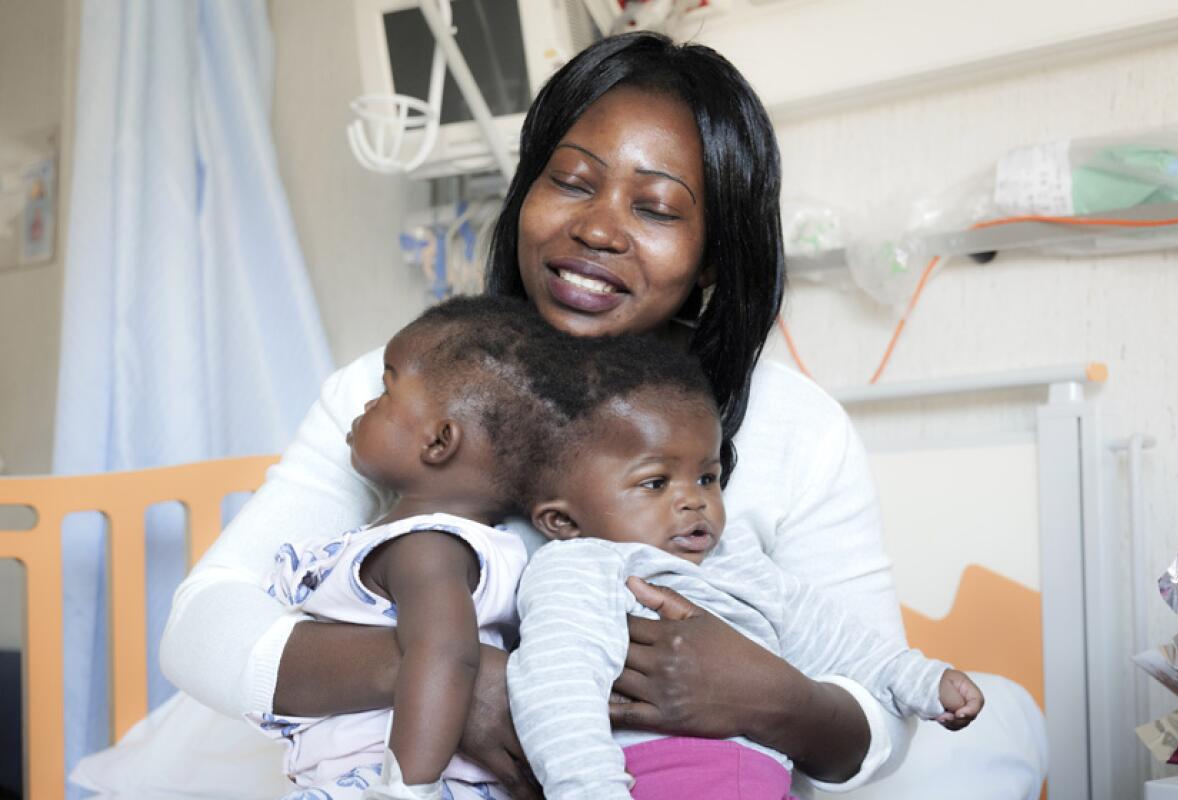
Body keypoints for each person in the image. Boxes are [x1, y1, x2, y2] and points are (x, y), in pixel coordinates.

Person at [162, 31, 1043, 800]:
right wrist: (448, 675)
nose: (598, 228)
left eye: (655, 208)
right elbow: (204, 627)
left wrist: (777, 698)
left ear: (711, 257)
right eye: (571, 182)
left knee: (995, 730)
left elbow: (877, 715)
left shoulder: (794, 428)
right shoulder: (408, 390)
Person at [506, 332, 983, 800]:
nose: (693, 500)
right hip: (655, 779)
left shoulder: (741, 565)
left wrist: (924, 681)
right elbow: (555, 692)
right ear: (562, 520)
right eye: (655, 483)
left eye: (707, 477)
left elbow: (843, 643)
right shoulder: (580, 567)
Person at [247, 296, 558, 800]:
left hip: (384, 781)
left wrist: (408, 788)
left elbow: (446, 655)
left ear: (439, 442)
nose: (366, 405)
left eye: (385, 390)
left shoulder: (427, 547)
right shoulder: (453, 544)